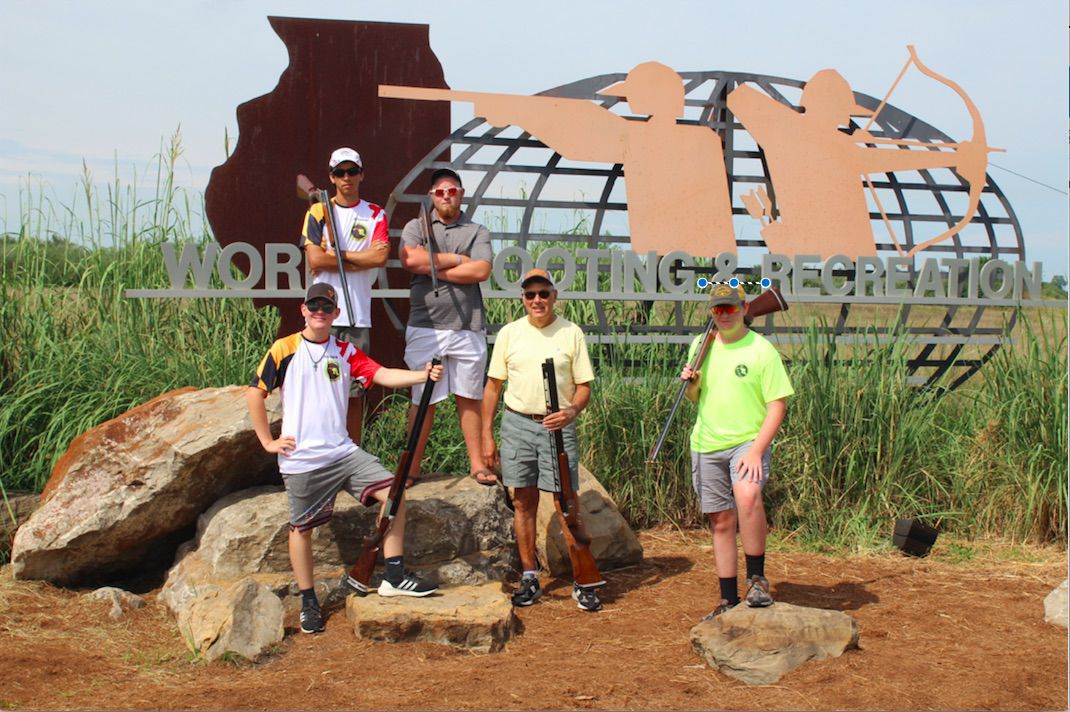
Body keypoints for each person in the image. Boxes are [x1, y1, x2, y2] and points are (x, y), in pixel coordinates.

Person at [246, 283, 442, 635]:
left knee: (394, 494)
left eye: (326, 306)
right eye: (313, 305)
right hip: (302, 459)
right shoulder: (284, 349)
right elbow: (254, 393)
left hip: (343, 451)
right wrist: (267, 441)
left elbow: (380, 374)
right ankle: (308, 601)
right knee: (301, 528)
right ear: (303, 310)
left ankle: (394, 574)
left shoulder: (345, 351)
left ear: (336, 314)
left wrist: (422, 375)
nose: (319, 311)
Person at [481, 269, 603, 613]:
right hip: (517, 423)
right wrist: (487, 436)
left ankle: (584, 580)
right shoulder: (509, 333)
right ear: (522, 298)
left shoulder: (570, 332)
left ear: (554, 296)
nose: (537, 300)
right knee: (522, 501)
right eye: (530, 294)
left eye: (543, 294)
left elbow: (584, 387)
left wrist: (571, 412)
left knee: (567, 503)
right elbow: (493, 387)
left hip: (557, 426)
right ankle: (530, 575)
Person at [680, 284, 794, 619]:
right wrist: (691, 381)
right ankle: (728, 600)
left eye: (731, 308)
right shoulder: (701, 345)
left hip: (748, 441)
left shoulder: (761, 350)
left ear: (745, 309)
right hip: (706, 443)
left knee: (747, 496)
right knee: (721, 520)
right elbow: (694, 398)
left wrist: (757, 450)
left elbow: (777, 406)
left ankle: (757, 579)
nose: (725, 315)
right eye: (718, 310)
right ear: (711, 312)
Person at [399, 168, 495, 485]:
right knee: (423, 397)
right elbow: (411, 261)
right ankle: (411, 468)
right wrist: (456, 260)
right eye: (440, 192)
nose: (446, 196)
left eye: (451, 190)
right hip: (426, 326)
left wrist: (434, 267)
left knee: (469, 396)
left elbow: (481, 270)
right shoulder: (417, 227)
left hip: (468, 326)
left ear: (461, 193)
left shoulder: (477, 230)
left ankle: (478, 464)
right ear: (432, 196)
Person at [301, 147, 390, 445]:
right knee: (320, 391)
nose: (346, 177)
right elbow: (316, 260)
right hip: (321, 315)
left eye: (352, 171)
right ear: (331, 177)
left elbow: (379, 258)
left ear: (362, 174)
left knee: (354, 392)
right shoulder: (317, 211)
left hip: (357, 315)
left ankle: (351, 454)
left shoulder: (375, 213)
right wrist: (357, 258)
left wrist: (339, 255)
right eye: (340, 172)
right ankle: (323, 452)